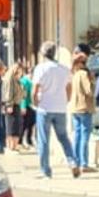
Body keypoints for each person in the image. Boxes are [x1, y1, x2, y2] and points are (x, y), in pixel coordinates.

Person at [32, 41, 79, 178]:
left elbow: (35, 89)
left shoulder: (40, 68)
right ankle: (72, 162)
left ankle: (46, 170)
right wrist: (66, 100)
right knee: (64, 137)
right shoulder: (64, 69)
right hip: (60, 108)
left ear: (43, 53)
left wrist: (35, 102)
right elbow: (69, 88)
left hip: (45, 107)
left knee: (44, 140)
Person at [68, 44, 96, 171]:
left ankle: (76, 161)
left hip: (74, 108)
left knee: (78, 136)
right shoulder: (84, 74)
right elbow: (89, 91)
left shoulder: (74, 73)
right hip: (84, 108)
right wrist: (93, 81)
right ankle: (84, 163)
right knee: (85, 136)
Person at [1, 60, 24, 152]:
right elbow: (8, 92)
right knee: (11, 126)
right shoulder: (10, 78)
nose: (20, 71)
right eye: (19, 69)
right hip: (11, 105)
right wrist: (9, 104)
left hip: (17, 104)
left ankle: (14, 145)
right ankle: (11, 146)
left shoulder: (16, 78)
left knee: (16, 126)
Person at [20, 61, 36, 149]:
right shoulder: (25, 81)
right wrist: (23, 106)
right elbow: (23, 94)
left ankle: (29, 140)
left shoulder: (33, 81)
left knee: (32, 123)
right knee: (24, 124)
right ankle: (20, 140)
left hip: (32, 105)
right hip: (26, 105)